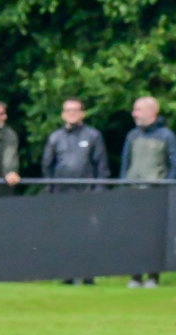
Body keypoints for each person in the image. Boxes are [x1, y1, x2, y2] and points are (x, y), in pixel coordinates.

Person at [41, 97, 110, 285]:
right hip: (62, 194)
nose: (71, 113)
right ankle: (67, 274)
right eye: (68, 110)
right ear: (63, 114)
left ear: (83, 113)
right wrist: (50, 190)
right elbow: (47, 166)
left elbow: (101, 166)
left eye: (75, 110)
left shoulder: (93, 136)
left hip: (86, 193)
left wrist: (99, 190)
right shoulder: (55, 138)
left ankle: (88, 274)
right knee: (65, 234)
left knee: (87, 234)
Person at [120, 96, 176, 288]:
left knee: (154, 237)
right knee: (134, 236)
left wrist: (166, 188)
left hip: (155, 194)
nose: (134, 114)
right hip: (133, 193)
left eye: (138, 110)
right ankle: (135, 276)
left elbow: (175, 165)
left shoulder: (167, 136)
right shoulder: (132, 136)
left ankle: (153, 277)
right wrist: (123, 186)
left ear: (151, 112)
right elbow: (125, 164)